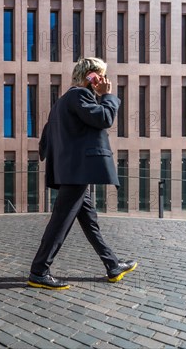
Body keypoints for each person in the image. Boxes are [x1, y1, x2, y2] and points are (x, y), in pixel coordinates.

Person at [28, 57, 137, 290]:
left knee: (90, 222)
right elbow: (104, 119)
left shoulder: (62, 101)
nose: (105, 79)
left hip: (72, 170)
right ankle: (39, 271)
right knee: (60, 221)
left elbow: (45, 139)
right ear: (92, 76)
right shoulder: (79, 95)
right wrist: (106, 96)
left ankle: (113, 265)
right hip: (76, 171)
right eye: (101, 75)